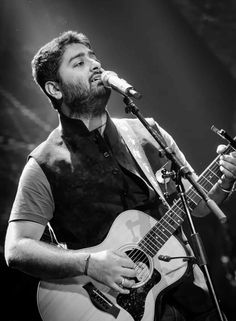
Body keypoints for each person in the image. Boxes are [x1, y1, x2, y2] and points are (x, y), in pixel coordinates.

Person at [4, 30, 236, 321]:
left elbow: (197, 206)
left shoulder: (148, 132)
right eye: (78, 63)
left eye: (93, 56)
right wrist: (90, 263)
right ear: (55, 89)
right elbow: (17, 248)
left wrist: (224, 180)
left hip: (192, 296)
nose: (94, 65)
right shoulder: (44, 164)